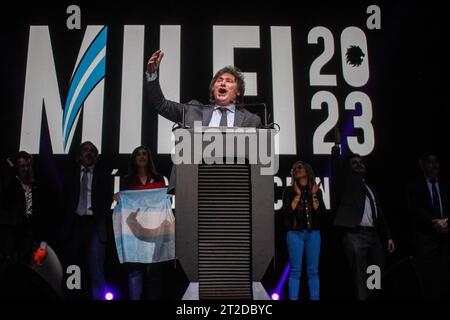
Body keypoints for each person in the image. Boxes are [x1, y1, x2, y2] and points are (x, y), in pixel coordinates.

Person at [144, 50, 262, 193]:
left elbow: (258, 159)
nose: (222, 83)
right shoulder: (193, 110)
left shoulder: (251, 120)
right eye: (219, 81)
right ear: (213, 89)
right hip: (195, 184)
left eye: (229, 81)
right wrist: (152, 75)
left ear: (238, 91)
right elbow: (161, 105)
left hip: (236, 187)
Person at [331, 131, 395, 300]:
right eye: (354, 163)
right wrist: (337, 147)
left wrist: (388, 236)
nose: (359, 164)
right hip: (355, 235)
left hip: (373, 237)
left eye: (361, 162)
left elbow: (379, 214)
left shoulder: (370, 188)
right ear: (349, 167)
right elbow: (336, 168)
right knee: (360, 278)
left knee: (376, 275)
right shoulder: (346, 184)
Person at [113, 145, 167, 300]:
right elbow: (125, 206)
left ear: (149, 158)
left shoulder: (158, 179)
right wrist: (119, 197)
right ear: (134, 159)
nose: (142, 156)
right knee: (134, 270)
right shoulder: (127, 180)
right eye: (138, 154)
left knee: (154, 271)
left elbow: (161, 202)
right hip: (133, 232)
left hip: (154, 230)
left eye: (145, 154)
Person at [61, 141, 112, 300]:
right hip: (75, 224)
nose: (89, 153)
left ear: (96, 156)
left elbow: (106, 201)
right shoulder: (69, 175)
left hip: (95, 224)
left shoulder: (103, 176)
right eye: (85, 150)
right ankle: (72, 297)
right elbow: (63, 200)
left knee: (96, 267)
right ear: (79, 155)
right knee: (73, 267)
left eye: (92, 151)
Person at [407, 152, 449, 299]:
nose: (435, 165)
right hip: (426, 239)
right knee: (429, 280)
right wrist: (434, 222)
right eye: (430, 162)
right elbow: (415, 209)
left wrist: (446, 223)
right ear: (423, 165)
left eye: (436, 162)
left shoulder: (445, 184)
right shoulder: (415, 186)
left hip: (446, 237)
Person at [282, 160, 325, 300]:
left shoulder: (315, 190)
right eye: (294, 169)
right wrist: (297, 196)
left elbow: (322, 214)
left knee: (313, 271)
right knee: (295, 271)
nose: (297, 170)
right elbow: (286, 214)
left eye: (299, 167)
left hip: (313, 234)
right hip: (294, 234)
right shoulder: (288, 191)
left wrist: (314, 197)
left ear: (307, 170)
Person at [0, 151, 43, 265]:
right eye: (22, 166)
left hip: (28, 229)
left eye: (28, 165)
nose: (25, 168)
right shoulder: (12, 183)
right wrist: (11, 168)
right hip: (12, 228)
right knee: (9, 261)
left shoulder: (34, 185)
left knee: (25, 261)